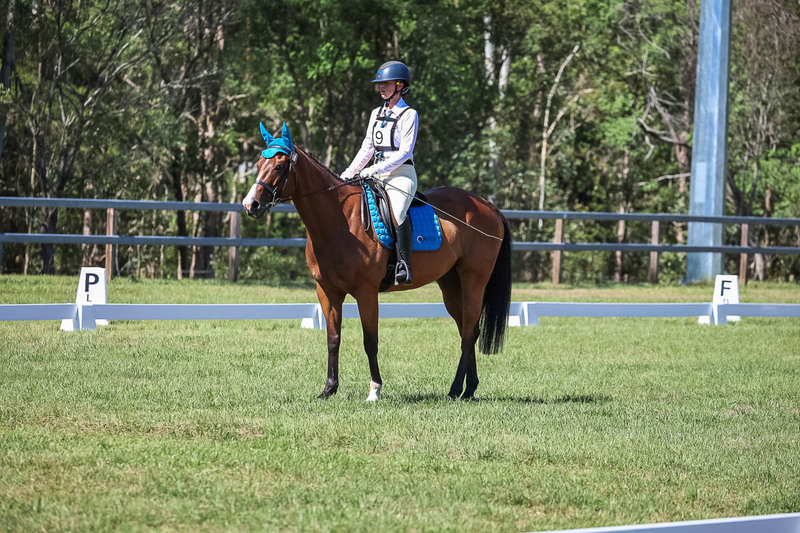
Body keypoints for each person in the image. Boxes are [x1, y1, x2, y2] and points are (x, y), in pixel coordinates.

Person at [341, 61, 419, 285]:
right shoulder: (376, 113)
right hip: (375, 174)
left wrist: (374, 169)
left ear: (400, 85)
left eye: (385, 84)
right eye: (380, 84)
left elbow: (405, 152)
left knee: (397, 211)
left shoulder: (408, 114)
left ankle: (404, 264)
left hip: (401, 174)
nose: (381, 88)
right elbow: (367, 148)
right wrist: (348, 173)